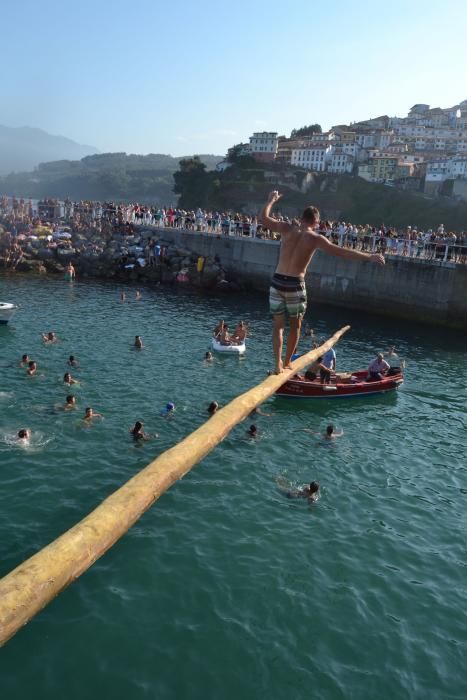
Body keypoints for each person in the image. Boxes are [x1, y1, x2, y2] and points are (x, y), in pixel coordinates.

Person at [259, 191, 385, 373]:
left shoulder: (286, 228)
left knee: (278, 326)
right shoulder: (315, 238)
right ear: (316, 222)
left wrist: (270, 200)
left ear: (301, 218)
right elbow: (341, 251)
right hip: (294, 284)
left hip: (277, 281)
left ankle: (277, 363)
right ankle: (286, 362)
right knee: (296, 325)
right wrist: (369, 256)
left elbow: (263, 218)